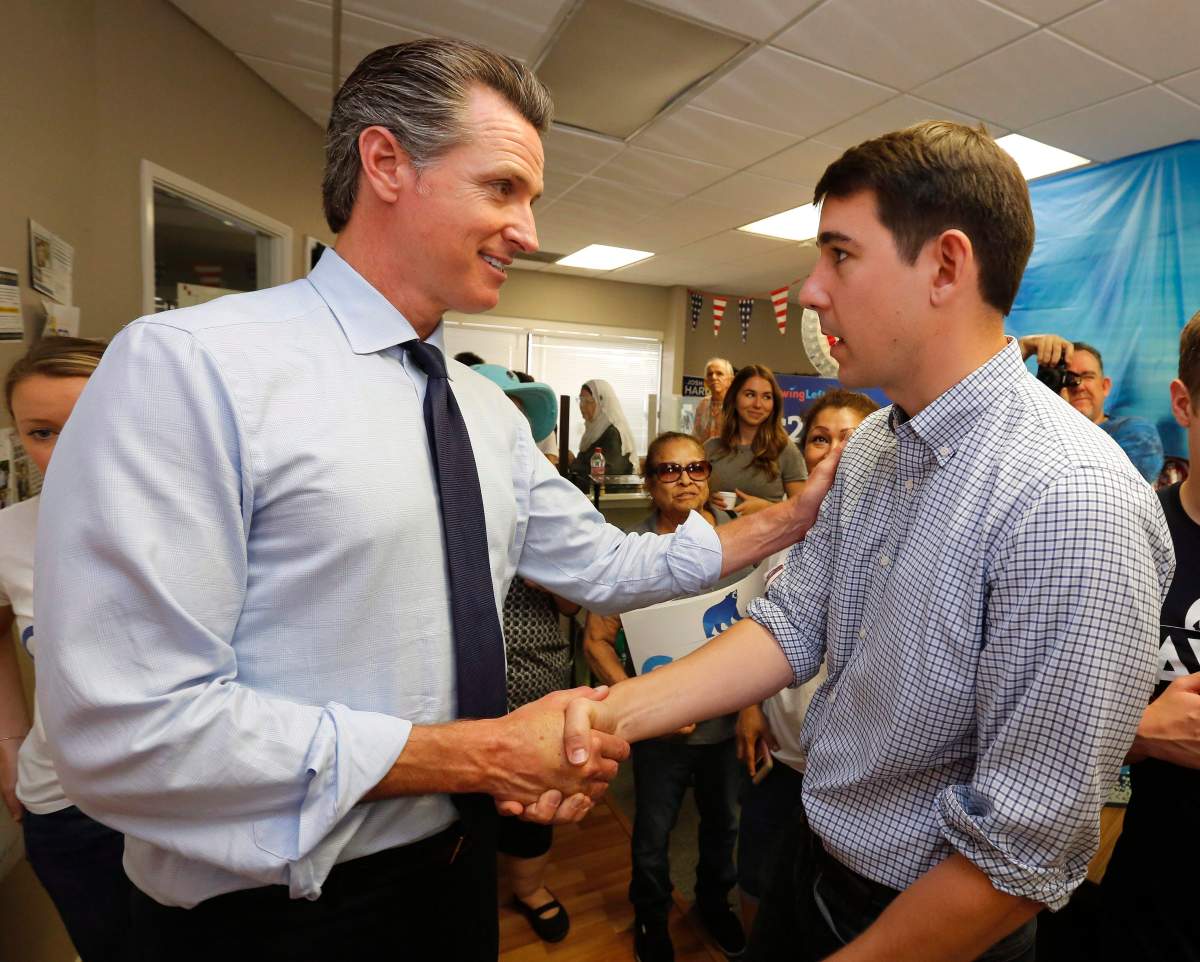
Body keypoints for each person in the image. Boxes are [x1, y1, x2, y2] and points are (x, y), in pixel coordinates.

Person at [32, 39, 832, 962]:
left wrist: (796, 515)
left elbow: (611, 564)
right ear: (385, 164)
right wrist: (484, 755)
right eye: (502, 189)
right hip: (274, 916)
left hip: (457, 870)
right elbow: (124, 729)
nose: (529, 230)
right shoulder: (192, 369)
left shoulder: (482, 412)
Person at [560, 120, 1174, 962]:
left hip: (934, 922)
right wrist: (607, 717)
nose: (812, 290)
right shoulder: (881, 443)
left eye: (839, 255)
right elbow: (792, 623)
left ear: (946, 267)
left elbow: (1017, 856)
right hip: (812, 865)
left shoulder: (1070, 501)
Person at [583, 431, 747, 962]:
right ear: (651, 484)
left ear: (709, 476)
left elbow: (763, 631)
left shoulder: (740, 545)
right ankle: (652, 920)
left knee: (725, 824)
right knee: (653, 833)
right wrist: (646, 702)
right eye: (670, 471)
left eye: (696, 468)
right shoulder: (628, 555)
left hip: (727, 727)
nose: (685, 480)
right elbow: (596, 640)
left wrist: (750, 707)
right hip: (659, 735)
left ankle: (713, 903)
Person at [0, 336, 132, 961]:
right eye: (40, 432)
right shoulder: (9, 536)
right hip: (67, 806)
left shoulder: (212, 519)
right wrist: (9, 741)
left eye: (87, 423)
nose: (61, 451)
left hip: (196, 800)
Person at [734, 389, 878, 933]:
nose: (835, 450)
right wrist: (750, 708)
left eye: (853, 436)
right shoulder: (780, 533)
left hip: (853, 772)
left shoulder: (899, 540)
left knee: (831, 902)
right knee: (757, 871)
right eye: (821, 437)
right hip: (781, 756)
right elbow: (756, 623)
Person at [474, 362, 576, 943]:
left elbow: (572, 606)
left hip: (535, 674)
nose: (507, 423)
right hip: (454, 686)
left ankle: (530, 887)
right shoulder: (436, 489)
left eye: (518, 413)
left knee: (532, 798)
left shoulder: (552, 497)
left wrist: (552, 581)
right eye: (497, 409)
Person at [1020, 335, 1165, 482]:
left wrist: (1065, 420)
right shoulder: (1036, 430)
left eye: (1088, 376)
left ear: (1105, 386)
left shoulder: (1135, 430)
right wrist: (1023, 348)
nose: (1079, 386)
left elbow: (1115, 485)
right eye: (1068, 378)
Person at [704, 364, 806, 516]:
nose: (758, 404)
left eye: (766, 397)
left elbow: (803, 511)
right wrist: (704, 500)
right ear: (734, 398)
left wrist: (767, 509)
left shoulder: (785, 450)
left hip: (768, 538)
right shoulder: (710, 448)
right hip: (718, 537)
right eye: (750, 395)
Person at [567, 378, 634, 487]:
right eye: (580, 400)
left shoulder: (613, 433)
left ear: (601, 403)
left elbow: (608, 475)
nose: (581, 406)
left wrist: (573, 463)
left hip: (611, 499)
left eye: (586, 401)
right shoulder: (593, 430)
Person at [693, 357, 734, 442]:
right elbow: (696, 435)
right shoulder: (702, 404)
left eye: (719, 373)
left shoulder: (737, 405)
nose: (714, 377)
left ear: (731, 380)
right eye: (710, 374)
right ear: (706, 381)